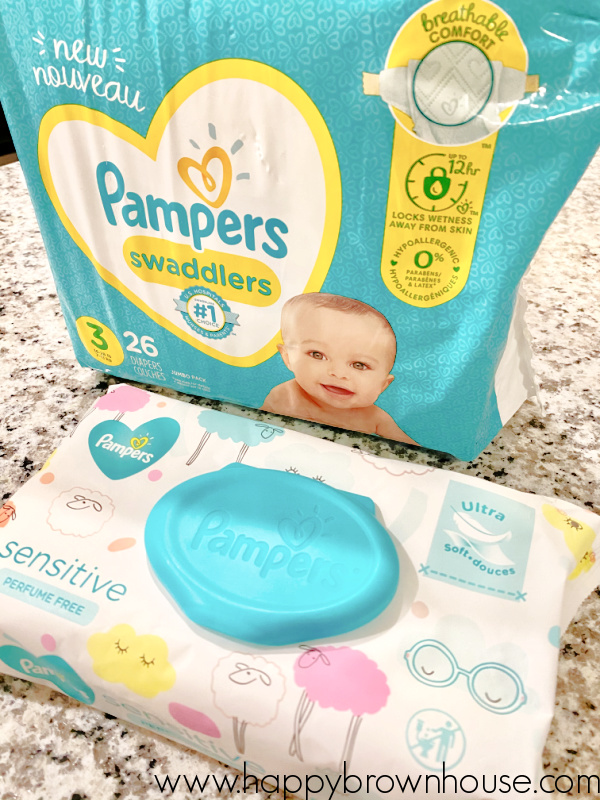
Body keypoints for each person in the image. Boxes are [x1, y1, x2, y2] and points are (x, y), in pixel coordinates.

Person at [261, 293, 417, 444]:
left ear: (383, 385)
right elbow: (257, 430)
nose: (338, 373)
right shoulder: (284, 396)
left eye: (359, 365)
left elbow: (416, 453)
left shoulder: (374, 418)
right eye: (317, 355)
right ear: (288, 357)